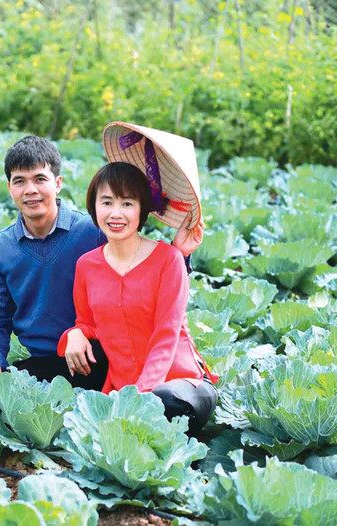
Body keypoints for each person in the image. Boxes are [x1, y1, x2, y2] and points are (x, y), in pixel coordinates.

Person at [0, 133, 204, 391]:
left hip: (101, 355)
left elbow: (143, 274)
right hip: (48, 360)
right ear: (10, 188)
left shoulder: (93, 230)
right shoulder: (0, 248)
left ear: (58, 183)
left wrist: (181, 256)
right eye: (20, 181)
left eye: (40, 179)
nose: (31, 190)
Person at [57, 161, 217, 434]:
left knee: (165, 404)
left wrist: (141, 397)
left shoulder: (169, 260)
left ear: (142, 209)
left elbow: (167, 334)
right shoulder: (86, 265)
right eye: (106, 202)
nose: (115, 213)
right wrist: (74, 334)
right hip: (123, 390)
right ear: (94, 207)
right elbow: (87, 322)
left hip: (180, 383)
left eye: (127, 203)